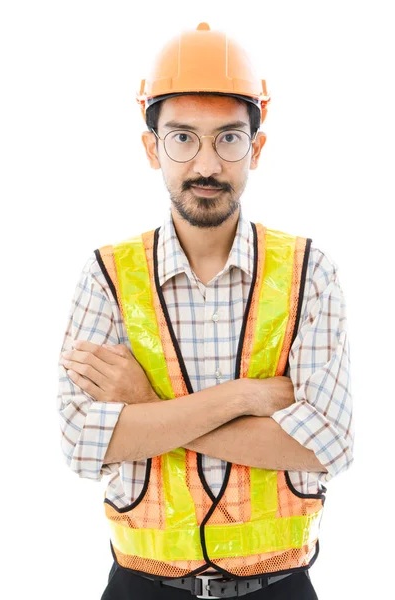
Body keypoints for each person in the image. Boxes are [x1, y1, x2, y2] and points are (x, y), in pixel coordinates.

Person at [57, 22, 354, 599]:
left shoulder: (308, 272)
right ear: (152, 147)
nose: (207, 165)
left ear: (256, 147)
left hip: (282, 587)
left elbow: (327, 445)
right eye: (183, 137)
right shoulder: (108, 277)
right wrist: (245, 396)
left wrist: (147, 411)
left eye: (229, 138)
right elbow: (80, 441)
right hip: (140, 587)